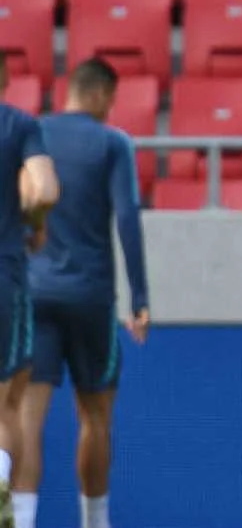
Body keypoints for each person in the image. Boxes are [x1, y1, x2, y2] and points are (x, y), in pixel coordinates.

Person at [11, 59, 150, 528]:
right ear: (98, 94)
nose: (110, 109)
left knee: (26, 416)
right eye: (111, 100)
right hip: (90, 297)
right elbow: (127, 217)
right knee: (95, 416)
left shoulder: (32, 133)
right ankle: (94, 522)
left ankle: (21, 520)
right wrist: (140, 297)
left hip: (34, 292)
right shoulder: (112, 142)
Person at [0, 59, 59, 528]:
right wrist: (34, 223)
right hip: (5, 275)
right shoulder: (19, 125)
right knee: (7, 404)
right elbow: (46, 189)